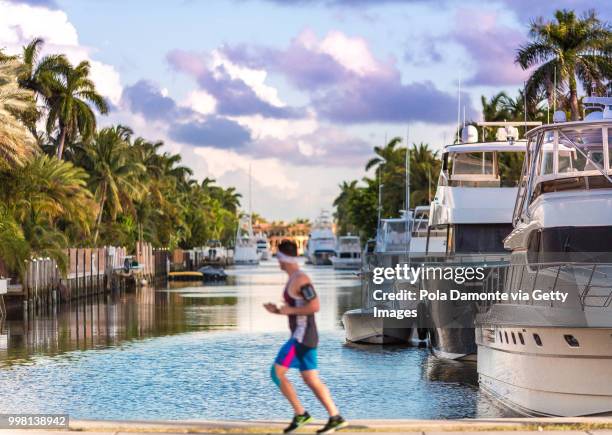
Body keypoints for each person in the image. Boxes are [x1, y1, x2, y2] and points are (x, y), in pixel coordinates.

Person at [264, 239, 347, 434]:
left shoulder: (301, 279)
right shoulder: (293, 279)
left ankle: (301, 414)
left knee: (276, 373)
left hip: (302, 337)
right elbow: (297, 309)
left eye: (279, 257)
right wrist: (277, 311)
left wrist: (287, 310)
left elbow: (315, 306)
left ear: (285, 258)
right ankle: (335, 417)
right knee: (311, 379)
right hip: (305, 336)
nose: (278, 262)